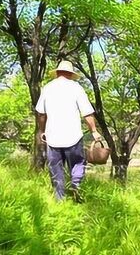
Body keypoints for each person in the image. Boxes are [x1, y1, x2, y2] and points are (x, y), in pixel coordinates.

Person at [35, 60, 102, 202]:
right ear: (71, 74)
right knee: (78, 163)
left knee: (55, 169)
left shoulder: (47, 88)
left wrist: (42, 131)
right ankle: (75, 186)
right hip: (73, 136)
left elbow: (41, 114)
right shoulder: (76, 88)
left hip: (53, 137)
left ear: (57, 73)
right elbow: (87, 113)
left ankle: (60, 200)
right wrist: (94, 131)